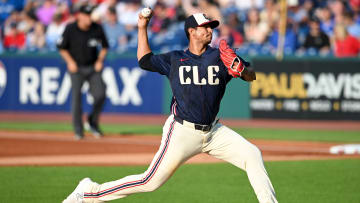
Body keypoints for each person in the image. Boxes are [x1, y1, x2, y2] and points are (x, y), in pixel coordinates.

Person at [62, 12, 278, 203]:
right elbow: (144, 60)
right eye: (205, 27)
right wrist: (142, 27)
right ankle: (89, 192)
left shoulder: (220, 57)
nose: (210, 30)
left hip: (213, 132)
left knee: (252, 154)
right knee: (149, 181)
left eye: (212, 27)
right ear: (191, 31)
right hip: (182, 132)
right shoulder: (175, 59)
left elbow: (251, 75)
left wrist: (240, 70)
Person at [57, 5, 109, 140]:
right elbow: (62, 47)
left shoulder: (96, 28)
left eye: (89, 14)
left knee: (100, 94)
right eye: (85, 15)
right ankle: (78, 131)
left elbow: (105, 46)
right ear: (79, 16)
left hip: (92, 67)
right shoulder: (70, 28)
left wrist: (100, 60)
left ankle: (92, 122)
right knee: (76, 99)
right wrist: (70, 62)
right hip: (76, 68)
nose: (88, 18)